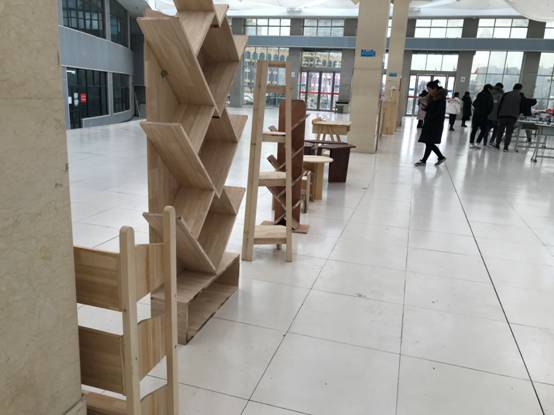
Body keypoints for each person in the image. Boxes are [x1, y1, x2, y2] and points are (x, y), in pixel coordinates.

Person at [415, 80, 447, 167]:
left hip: (435, 124)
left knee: (429, 142)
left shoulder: (441, 99)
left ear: (435, 89)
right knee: (428, 142)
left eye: (430, 90)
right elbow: (431, 108)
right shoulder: (433, 97)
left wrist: (430, 116)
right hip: (430, 122)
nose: (429, 92)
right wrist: (425, 107)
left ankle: (428, 160)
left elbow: (438, 112)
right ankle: (437, 158)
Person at [494, 83, 523, 152]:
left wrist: (498, 115)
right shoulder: (520, 96)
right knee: (509, 133)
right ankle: (506, 147)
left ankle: (497, 144)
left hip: (503, 115)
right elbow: (521, 107)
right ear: (520, 89)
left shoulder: (506, 94)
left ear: (513, 87)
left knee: (500, 131)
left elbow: (500, 105)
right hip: (513, 117)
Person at [469, 84, 494, 148]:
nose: (492, 91)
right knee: (483, 130)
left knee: (474, 129)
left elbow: (474, 103)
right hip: (484, 115)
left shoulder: (480, 94)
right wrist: (487, 113)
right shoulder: (490, 96)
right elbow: (490, 107)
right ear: (489, 89)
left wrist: (477, 109)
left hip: (476, 114)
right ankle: (477, 142)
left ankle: (471, 143)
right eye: (491, 89)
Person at [480, 83, 504, 147]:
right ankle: (491, 141)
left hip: (488, 115)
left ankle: (485, 142)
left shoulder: (490, 95)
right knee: (496, 130)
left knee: (487, 129)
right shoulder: (502, 96)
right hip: (497, 116)